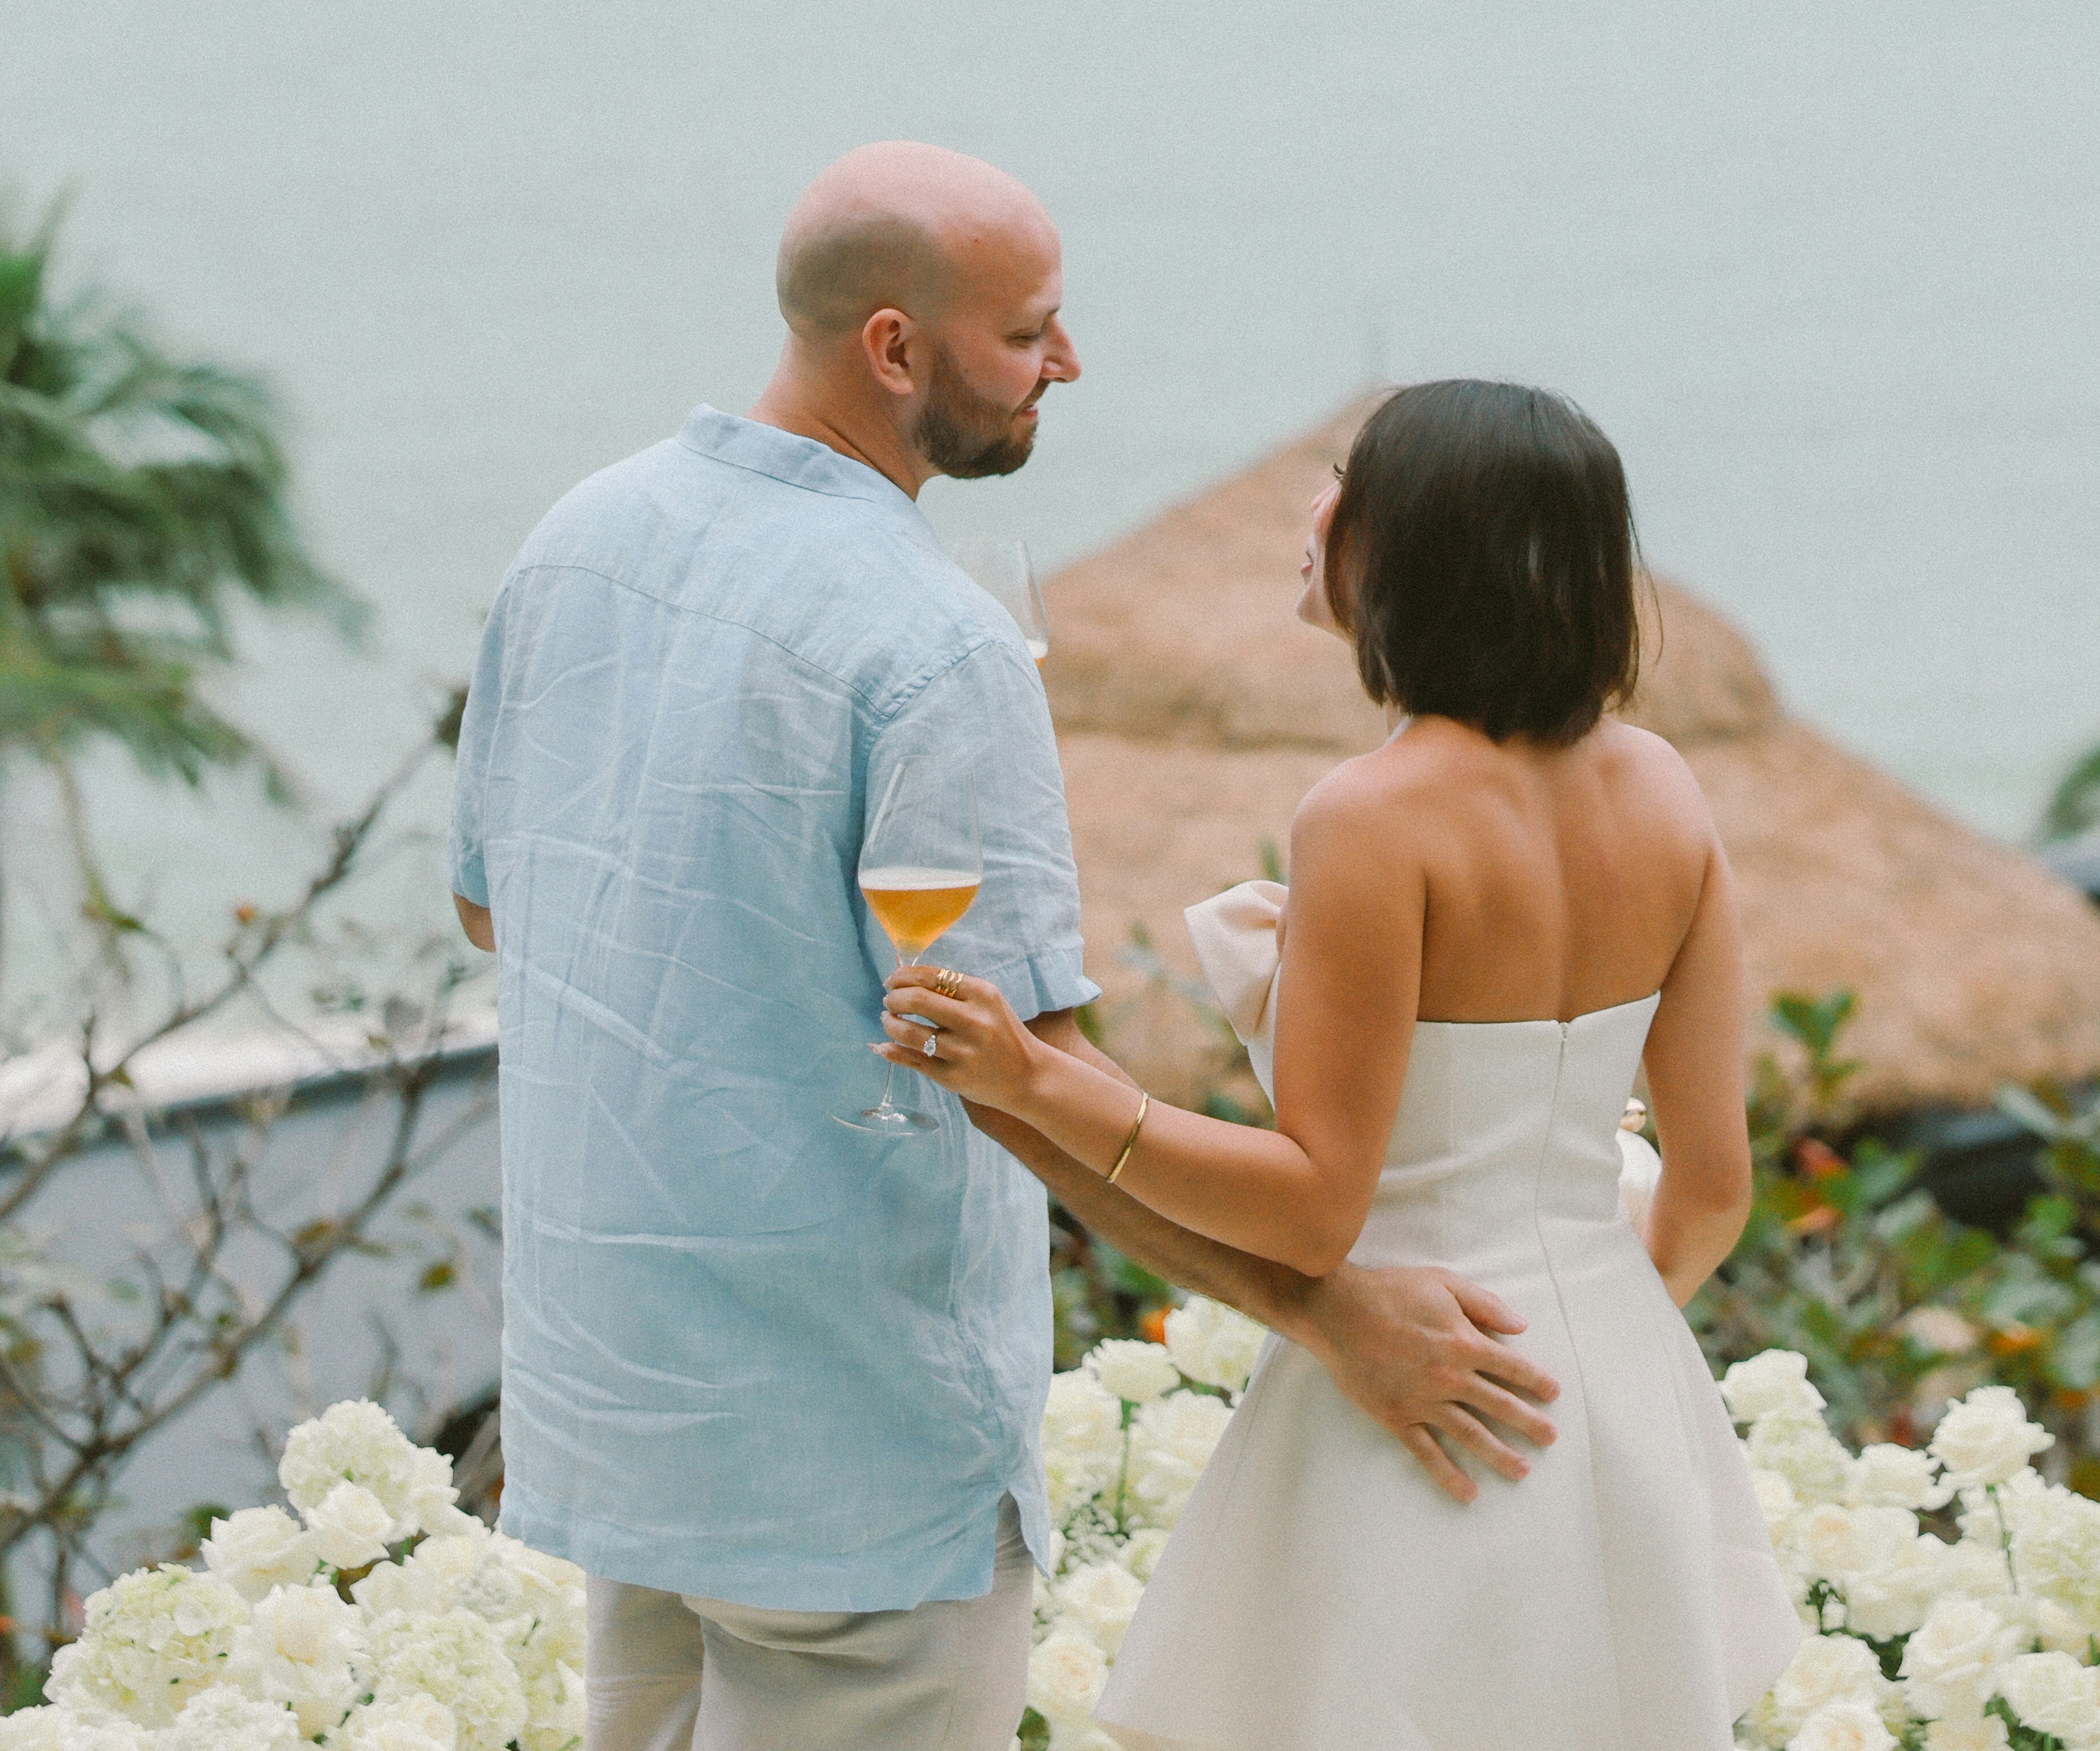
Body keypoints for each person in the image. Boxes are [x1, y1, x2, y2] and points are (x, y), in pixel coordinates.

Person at [448, 148, 1564, 1751]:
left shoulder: (576, 539)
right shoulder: (933, 642)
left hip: (618, 1403)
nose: (1070, 364)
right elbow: (1028, 1085)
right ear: (895, 350)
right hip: (850, 1448)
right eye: (1030, 332)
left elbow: (501, 904)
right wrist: (1335, 1315)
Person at [887, 374, 1795, 1751]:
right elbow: (1714, 1184)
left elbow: (1316, 1202)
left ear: (1416, 548)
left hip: (1429, 1406)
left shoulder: (1372, 816)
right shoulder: (1665, 785)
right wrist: (1593, 1320)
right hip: (1611, 1392)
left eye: (1345, 488)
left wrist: (1038, 1081)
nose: (1311, 513)